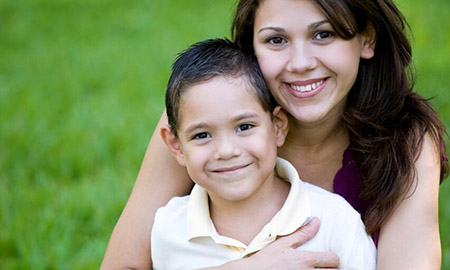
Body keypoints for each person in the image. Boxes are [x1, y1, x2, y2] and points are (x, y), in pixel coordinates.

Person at [101, 0, 448, 269]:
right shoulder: (203, 122)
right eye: (276, 39)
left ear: (367, 39)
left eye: (323, 34)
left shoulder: (408, 141)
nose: (299, 63)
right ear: (252, 48)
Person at [151, 38, 376, 269]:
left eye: (244, 127)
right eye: (202, 135)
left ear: (278, 126)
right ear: (176, 146)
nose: (226, 151)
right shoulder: (169, 230)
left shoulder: (334, 221)